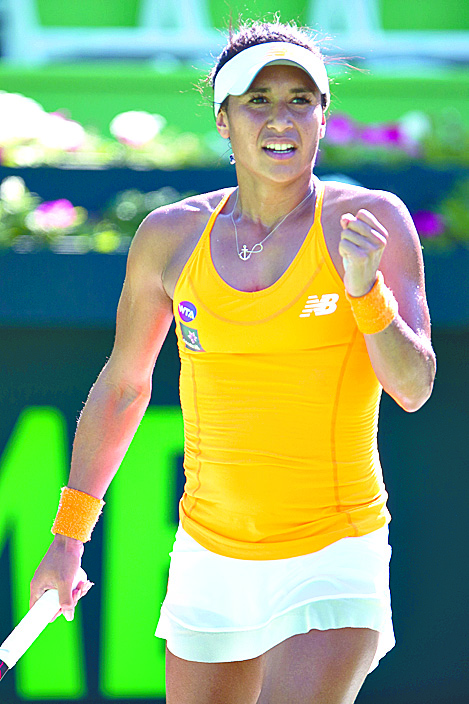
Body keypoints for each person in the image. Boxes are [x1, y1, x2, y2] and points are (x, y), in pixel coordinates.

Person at [30, 20, 436, 704]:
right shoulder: (170, 236)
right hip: (208, 559)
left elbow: (414, 386)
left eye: (300, 100)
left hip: (332, 552)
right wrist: (68, 538)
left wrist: (365, 293)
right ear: (223, 119)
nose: (281, 119)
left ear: (323, 115)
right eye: (258, 101)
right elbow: (123, 388)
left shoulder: (370, 221)